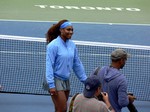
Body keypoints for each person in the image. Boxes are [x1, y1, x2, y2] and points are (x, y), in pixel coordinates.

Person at [46, 19, 87, 112]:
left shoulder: (72, 45)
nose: (71, 32)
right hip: (55, 79)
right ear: (61, 30)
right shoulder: (53, 45)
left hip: (66, 80)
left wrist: (85, 80)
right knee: (63, 109)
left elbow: (77, 63)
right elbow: (49, 65)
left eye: (72, 30)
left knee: (59, 109)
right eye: (68, 29)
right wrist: (51, 84)